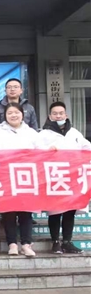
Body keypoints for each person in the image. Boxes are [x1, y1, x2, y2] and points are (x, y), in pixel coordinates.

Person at [37, 101, 91, 254]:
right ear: (50, 116)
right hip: (54, 177)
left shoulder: (74, 133)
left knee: (70, 211)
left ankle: (67, 241)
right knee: (55, 211)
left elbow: (86, 147)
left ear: (66, 115)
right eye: (55, 113)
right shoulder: (43, 134)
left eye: (61, 113)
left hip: (72, 177)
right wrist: (47, 150)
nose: (58, 116)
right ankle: (55, 241)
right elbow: (36, 151)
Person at [0, 103, 39, 257]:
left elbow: (40, 152)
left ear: (22, 114)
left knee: (26, 212)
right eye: (10, 113)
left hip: (27, 179)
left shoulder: (31, 133)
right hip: (7, 178)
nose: (13, 115)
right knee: (9, 213)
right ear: (5, 116)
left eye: (16, 112)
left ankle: (26, 244)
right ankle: (12, 244)